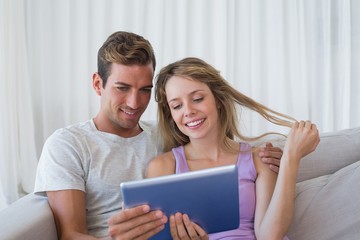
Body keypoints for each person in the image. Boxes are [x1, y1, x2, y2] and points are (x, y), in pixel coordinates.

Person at [34, 31, 286, 239]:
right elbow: (70, 235)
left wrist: (269, 155)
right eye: (122, 88)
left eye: (144, 90)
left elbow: (216, 149)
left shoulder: (167, 135)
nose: (134, 102)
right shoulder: (68, 144)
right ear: (98, 84)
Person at [147, 57, 320, 240]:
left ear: (218, 100)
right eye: (177, 106)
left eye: (197, 99)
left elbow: (270, 236)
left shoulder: (259, 158)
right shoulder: (163, 167)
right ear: (171, 114)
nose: (188, 111)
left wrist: (291, 159)